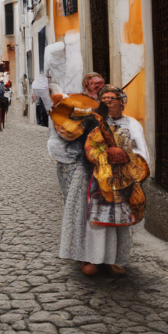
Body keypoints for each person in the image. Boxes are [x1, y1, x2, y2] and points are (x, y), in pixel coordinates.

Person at [84, 85, 150, 274]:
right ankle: (97, 259)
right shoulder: (96, 123)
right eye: (104, 98)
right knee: (99, 221)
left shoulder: (132, 124)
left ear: (122, 101)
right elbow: (90, 148)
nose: (108, 101)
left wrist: (125, 157)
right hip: (102, 181)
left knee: (123, 223)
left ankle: (119, 260)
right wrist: (106, 155)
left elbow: (141, 150)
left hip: (125, 181)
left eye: (112, 98)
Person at [48, 72, 106, 276]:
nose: (99, 86)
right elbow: (65, 130)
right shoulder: (73, 103)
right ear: (86, 86)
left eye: (101, 83)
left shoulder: (107, 102)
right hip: (77, 163)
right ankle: (84, 255)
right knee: (79, 209)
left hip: (103, 164)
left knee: (105, 209)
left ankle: (106, 255)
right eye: (95, 84)